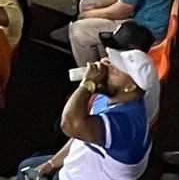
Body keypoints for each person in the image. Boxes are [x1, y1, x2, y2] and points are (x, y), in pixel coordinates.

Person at [15, 47, 158, 180]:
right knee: (26, 167)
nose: (105, 69)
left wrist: (87, 83)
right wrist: (51, 164)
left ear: (130, 87)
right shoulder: (110, 97)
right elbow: (80, 135)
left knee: (24, 170)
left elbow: (69, 125)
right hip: (76, 166)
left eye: (115, 70)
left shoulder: (125, 123)